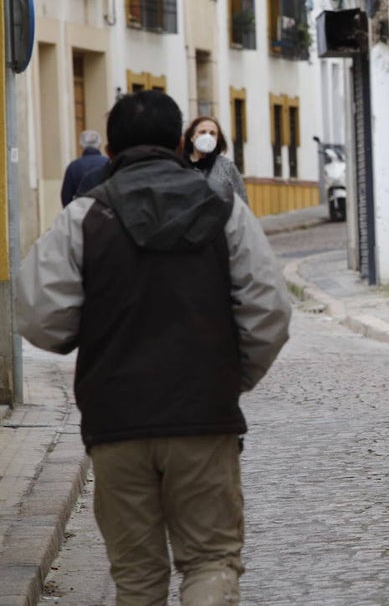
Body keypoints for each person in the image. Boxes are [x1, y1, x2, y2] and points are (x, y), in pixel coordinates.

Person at [16, 89, 291, 604]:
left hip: (116, 421)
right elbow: (269, 309)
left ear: (113, 149)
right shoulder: (225, 211)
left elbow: (39, 316)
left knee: (138, 578)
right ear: (180, 141)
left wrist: (89, 334)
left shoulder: (83, 218)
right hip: (203, 417)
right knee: (211, 561)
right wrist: (232, 377)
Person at [182, 115, 249, 205]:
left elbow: (242, 202)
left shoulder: (226, 166)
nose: (207, 137)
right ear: (192, 137)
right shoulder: (180, 165)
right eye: (202, 132)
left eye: (212, 133)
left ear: (217, 139)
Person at [60, 129, 109, 205]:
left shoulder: (73, 167)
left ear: (81, 146)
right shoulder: (109, 163)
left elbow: (66, 196)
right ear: (99, 145)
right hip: (107, 212)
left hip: (82, 212)